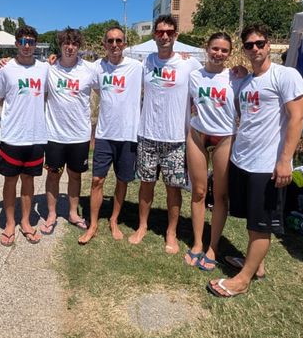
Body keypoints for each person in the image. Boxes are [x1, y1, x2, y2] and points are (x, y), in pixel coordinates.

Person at [208, 23, 303, 298]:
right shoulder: (248, 80)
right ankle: (256, 265)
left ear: (269, 45)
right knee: (252, 219)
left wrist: (285, 160)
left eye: (260, 43)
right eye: (249, 45)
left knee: (261, 224)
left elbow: (297, 118)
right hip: (243, 160)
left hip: (267, 165)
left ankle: (243, 279)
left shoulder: (285, 75)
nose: (255, 49)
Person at [129, 14, 200, 252]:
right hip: (147, 135)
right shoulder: (146, 62)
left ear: (176, 35)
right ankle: (142, 226)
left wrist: (238, 71)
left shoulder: (189, 64)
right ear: (154, 36)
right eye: (160, 32)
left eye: (169, 32)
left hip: (176, 139)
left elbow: (211, 75)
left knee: (173, 188)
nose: (165, 36)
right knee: (146, 185)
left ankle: (171, 232)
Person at [79, 26, 142, 245]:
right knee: (97, 179)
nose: (114, 45)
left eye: (119, 41)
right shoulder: (97, 67)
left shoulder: (137, 67)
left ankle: (114, 219)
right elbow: (75, 69)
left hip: (128, 134)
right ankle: (93, 223)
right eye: (110, 41)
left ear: (125, 43)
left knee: (122, 180)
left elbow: (162, 68)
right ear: (104, 44)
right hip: (105, 133)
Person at [185, 32, 239, 271]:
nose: (218, 54)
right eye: (215, 48)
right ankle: (197, 242)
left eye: (224, 50)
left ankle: (213, 246)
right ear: (206, 48)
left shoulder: (235, 77)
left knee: (220, 195)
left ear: (230, 53)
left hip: (224, 137)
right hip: (197, 134)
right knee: (198, 191)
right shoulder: (193, 75)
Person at [0, 26, 49, 245]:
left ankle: (26, 221)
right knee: (11, 181)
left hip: (36, 135)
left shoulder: (45, 68)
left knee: (29, 181)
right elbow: (0, 98)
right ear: (17, 44)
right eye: (23, 42)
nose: (27, 46)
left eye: (31, 41)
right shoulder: (6, 69)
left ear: (35, 44)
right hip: (12, 136)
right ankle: (10, 223)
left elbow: (46, 95)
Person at [40, 27, 93, 234]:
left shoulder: (89, 69)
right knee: (53, 175)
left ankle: (72, 212)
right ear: (60, 45)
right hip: (54, 134)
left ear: (79, 47)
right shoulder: (49, 68)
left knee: (75, 175)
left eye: (74, 44)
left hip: (79, 135)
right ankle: (52, 214)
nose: (70, 48)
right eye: (66, 44)